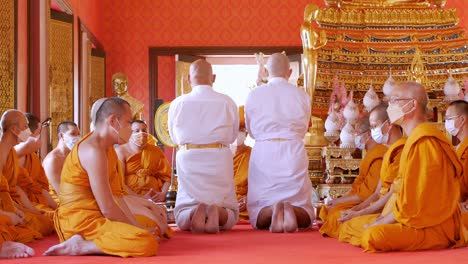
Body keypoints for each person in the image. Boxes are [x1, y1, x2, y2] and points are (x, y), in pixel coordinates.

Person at [44, 97, 159, 257]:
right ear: (113, 121)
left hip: (96, 215)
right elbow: (108, 208)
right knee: (146, 242)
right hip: (80, 222)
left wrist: (137, 226)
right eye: (128, 122)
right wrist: (139, 231)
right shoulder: (93, 150)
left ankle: (114, 238)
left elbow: (117, 196)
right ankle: (83, 245)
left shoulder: (108, 149)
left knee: (150, 225)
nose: (131, 128)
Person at [360, 82, 467, 252]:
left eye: (395, 101)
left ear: (412, 104)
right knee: (360, 227)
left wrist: (378, 222)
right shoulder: (414, 139)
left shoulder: (425, 142)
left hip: (432, 225)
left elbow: (413, 202)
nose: (390, 107)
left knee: (372, 235)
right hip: (413, 217)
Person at [245, 53, 313, 233]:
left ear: (266, 72)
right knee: (301, 201)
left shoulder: (254, 94)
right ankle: (291, 209)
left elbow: (251, 130)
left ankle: (271, 210)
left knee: (260, 202)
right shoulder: (301, 95)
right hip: (293, 150)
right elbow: (305, 126)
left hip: (264, 151)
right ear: (289, 72)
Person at [168, 59, 239, 234]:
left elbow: (174, 138)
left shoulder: (178, 103)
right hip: (219, 156)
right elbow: (232, 136)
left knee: (184, 208)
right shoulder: (227, 101)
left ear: (188, 79)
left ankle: (193, 211)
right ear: (213, 78)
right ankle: (218, 211)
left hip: (189, 156)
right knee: (229, 209)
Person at [338, 103, 406, 246]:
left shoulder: (403, 150)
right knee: (347, 224)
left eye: (375, 126)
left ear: (389, 124)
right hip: (381, 207)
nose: (373, 131)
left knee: (359, 229)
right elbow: (377, 193)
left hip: (393, 211)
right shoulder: (389, 152)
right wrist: (356, 209)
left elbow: (394, 194)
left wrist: (360, 213)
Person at [319, 116, 387, 238]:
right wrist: (340, 200)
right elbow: (359, 188)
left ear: (369, 134)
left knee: (337, 214)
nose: (355, 137)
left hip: (371, 204)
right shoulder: (370, 155)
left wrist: (351, 208)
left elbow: (369, 195)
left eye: (358, 133)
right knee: (329, 209)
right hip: (361, 202)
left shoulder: (379, 156)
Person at [0, 110, 54, 237]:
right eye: (25, 127)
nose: (28, 132)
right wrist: (8, 213)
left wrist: (31, 209)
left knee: (44, 222)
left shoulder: (11, 154)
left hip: (10, 204)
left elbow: (15, 187)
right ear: (14, 129)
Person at [115, 120, 171, 199]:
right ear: (129, 133)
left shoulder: (155, 151)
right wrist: (140, 198)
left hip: (154, 198)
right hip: (130, 198)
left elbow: (167, 177)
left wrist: (163, 194)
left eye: (144, 130)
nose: (141, 133)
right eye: (137, 131)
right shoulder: (121, 152)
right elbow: (119, 182)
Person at [15, 113, 57, 214]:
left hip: (37, 200)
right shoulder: (6, 155)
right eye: (38, 132)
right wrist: (34, 210)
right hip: (17, 204)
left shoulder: (32, 157)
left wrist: (57, 207)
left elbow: (40, 186)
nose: (38, 138)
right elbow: (13, 189)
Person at [42, 121, 81, 202]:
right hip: (58, 201)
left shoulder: (75, 156)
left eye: (78, 134)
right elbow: (61, 193)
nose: (77, 138)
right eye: (73, 134)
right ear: (62, 135)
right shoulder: (52, 159)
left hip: (76, 197)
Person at [444, 100, 468, 228]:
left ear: (462, 119)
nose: (446, 123)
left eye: (448, 118)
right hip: (455, 204)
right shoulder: (457, 148)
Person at [232, 106, 251, 220]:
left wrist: (249, 199)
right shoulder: (221, 156)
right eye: (235, 131)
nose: (238, 134)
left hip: (247, 208)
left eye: (241, 130)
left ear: (246, 134)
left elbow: (262, 183)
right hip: (224, 206)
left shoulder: (253, 154)